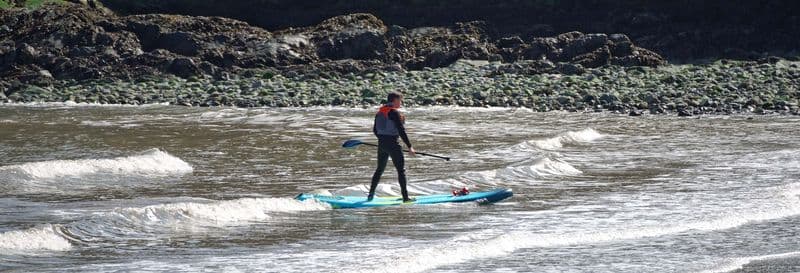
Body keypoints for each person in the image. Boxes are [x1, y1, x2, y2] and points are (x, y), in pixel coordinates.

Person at [368, 92, 416, 202]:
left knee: (379, 170)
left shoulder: (380, 112)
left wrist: (382, 140)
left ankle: (370, 195)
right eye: (400, 100)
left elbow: (375, 130)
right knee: (401, 171)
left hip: (382, 145)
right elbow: (401, 130)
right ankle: (405, 198)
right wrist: (410, 147)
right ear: (394, 100)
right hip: (393, 144)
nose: (401, 103)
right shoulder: (394, 113)